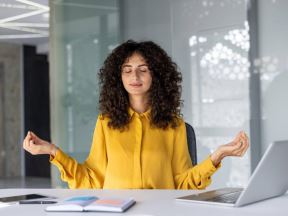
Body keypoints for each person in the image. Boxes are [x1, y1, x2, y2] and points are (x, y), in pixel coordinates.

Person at [23, 40, 249, 189]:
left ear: (157, 76)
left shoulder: (174, 126)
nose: (135, 76)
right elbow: (92, 180)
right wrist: (52, 151)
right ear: (118, 77)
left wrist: (217, 156)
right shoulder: (106, 123)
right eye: (127, 70)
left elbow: (182, 184)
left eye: (143, 69)